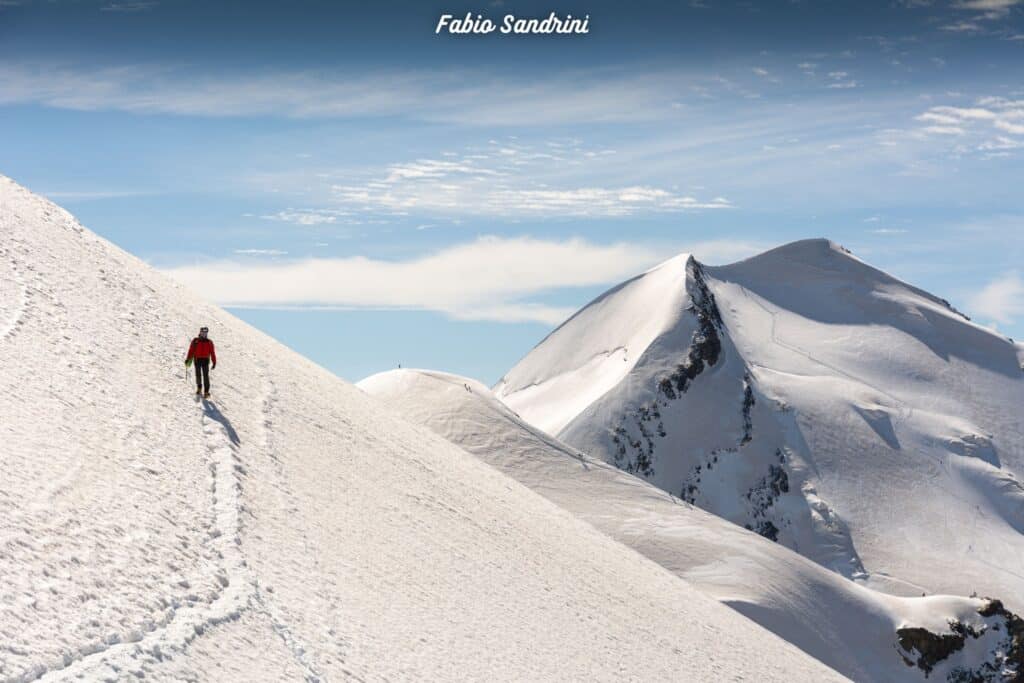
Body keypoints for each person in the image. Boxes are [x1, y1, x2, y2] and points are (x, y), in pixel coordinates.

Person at [185, 326, 217, 398]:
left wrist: (214, 362)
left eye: (205, 333)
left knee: (206, 376)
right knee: (198, 375)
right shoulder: (195, 341)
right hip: (197, 360)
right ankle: (199, 388)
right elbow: (191, 350)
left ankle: (206, 392)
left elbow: (212, 352)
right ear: (200, 332)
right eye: (202, 332)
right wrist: (188, 359)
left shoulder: (209, 342)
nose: (204, 334)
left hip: (205, 361)